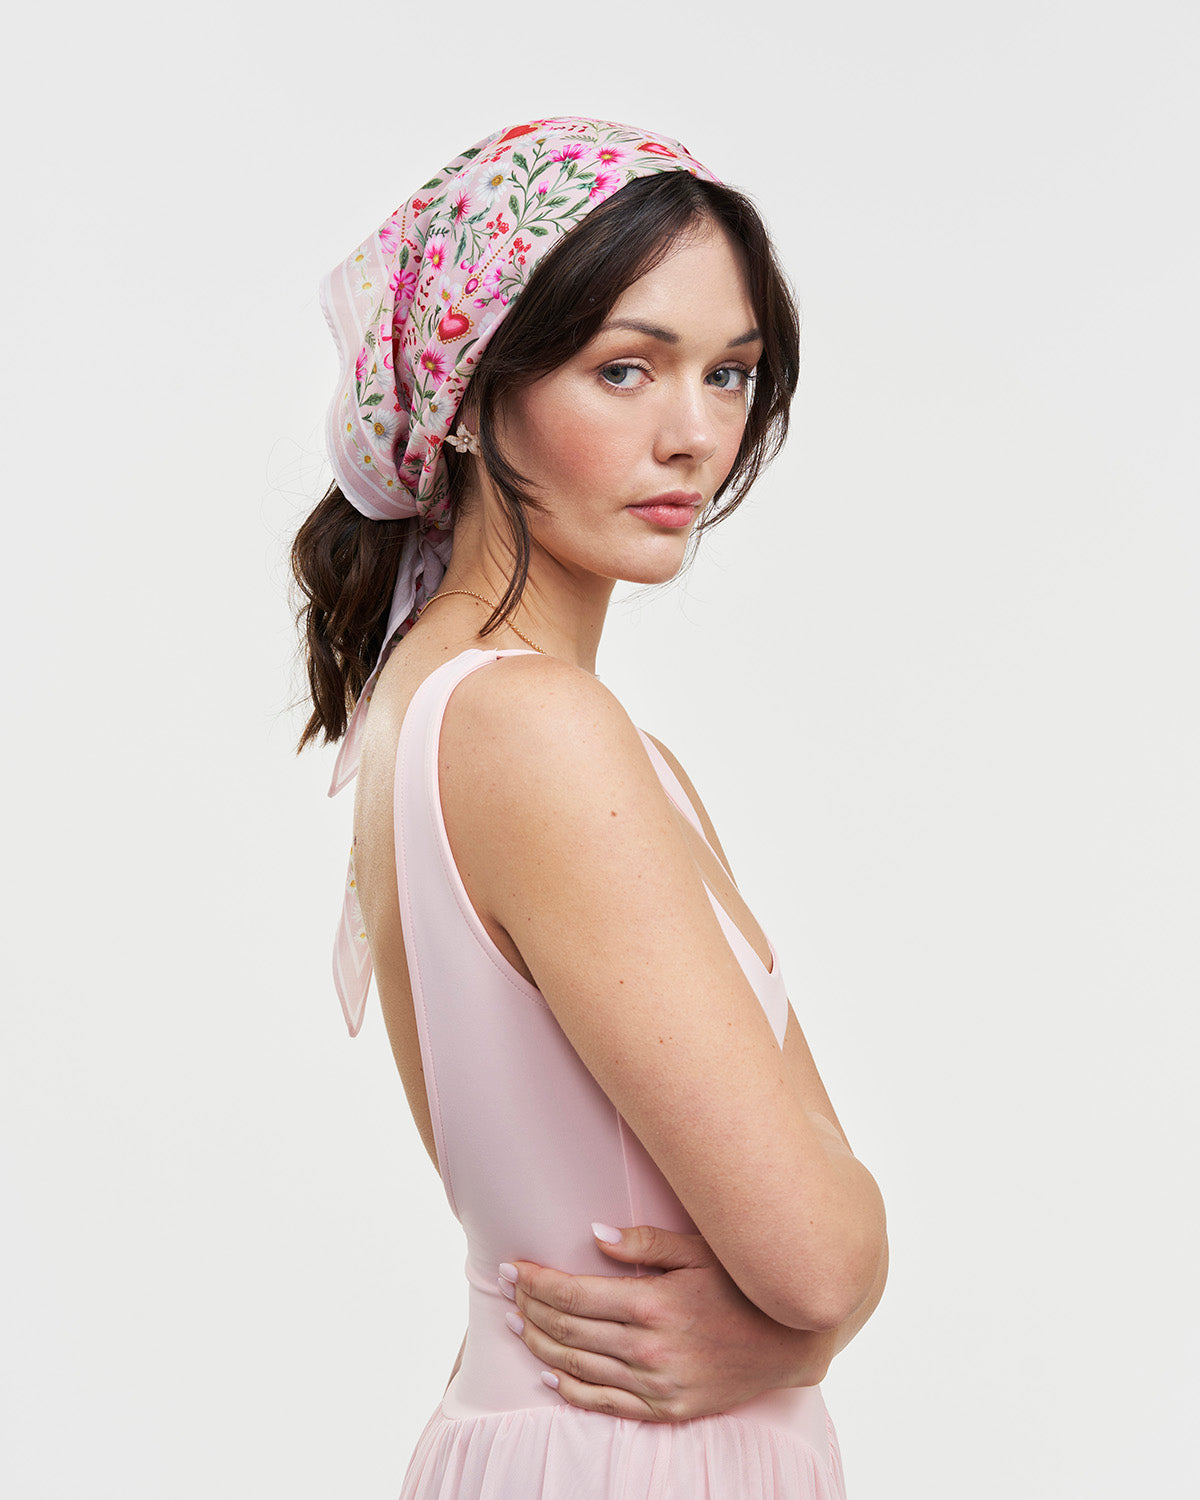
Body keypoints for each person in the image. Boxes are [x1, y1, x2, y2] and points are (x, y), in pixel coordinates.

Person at [293, 116, 888, 1498]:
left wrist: (806, 1316)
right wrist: (824, 1313)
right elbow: (820, 1254)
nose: (696, 433)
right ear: (471, 389)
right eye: (626, 368)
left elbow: (805, 1261)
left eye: (730, 372)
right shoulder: (535, 727)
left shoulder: (452, 703)